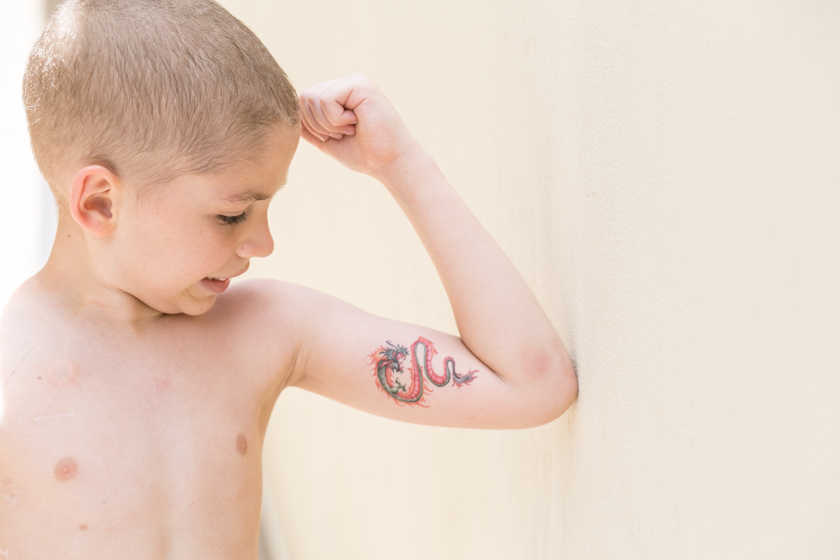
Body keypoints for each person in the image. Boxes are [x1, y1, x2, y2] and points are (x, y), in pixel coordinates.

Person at [0, 0, 577, 556]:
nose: (264, 244)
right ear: (100, 202)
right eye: (232, 215)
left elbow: (530, 385)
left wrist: (399, 164)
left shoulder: (268, 331)